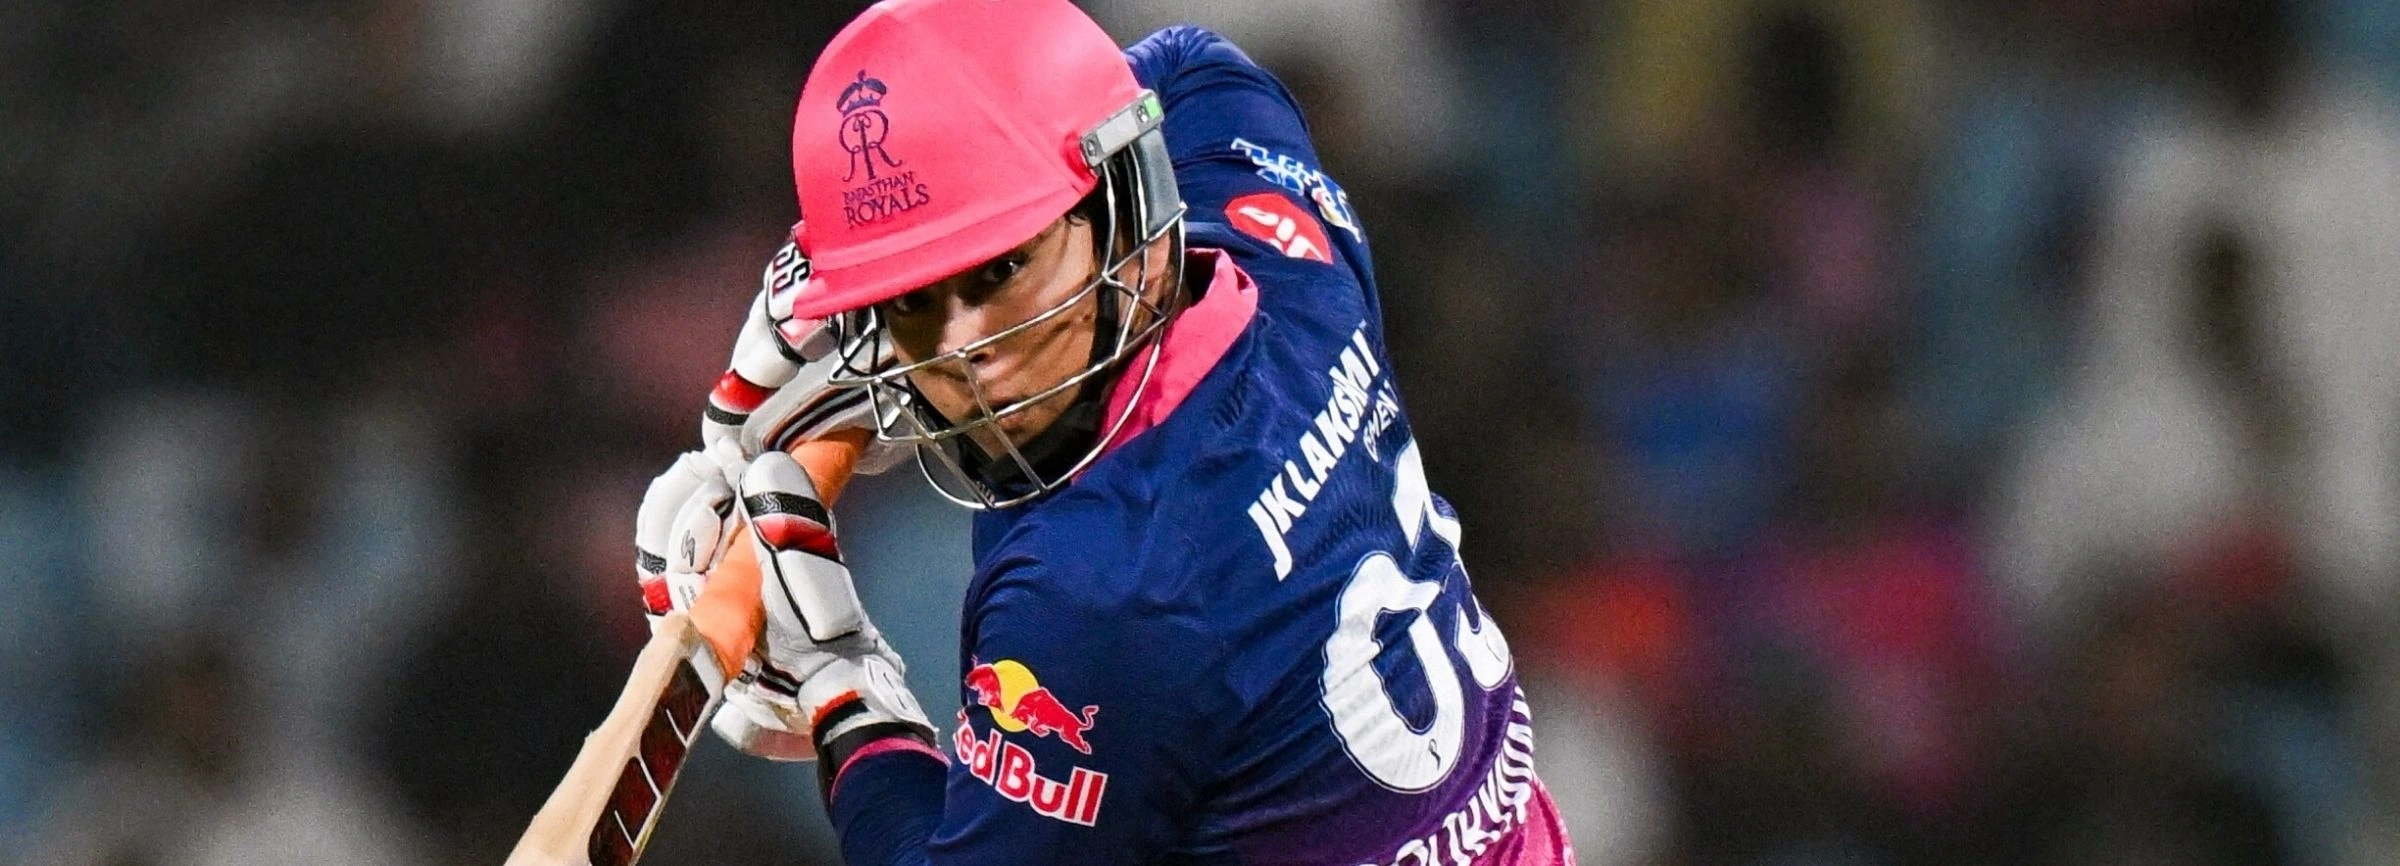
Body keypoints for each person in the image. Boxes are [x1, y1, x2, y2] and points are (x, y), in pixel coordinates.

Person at [633, 1, 1575, 862]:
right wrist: (922, 189)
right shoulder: (1282, 243)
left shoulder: (1099, 587)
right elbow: (1191, 61)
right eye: (910, 301)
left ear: (1119, 207)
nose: (963, 350)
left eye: (1001, 269)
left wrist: (840, 684)